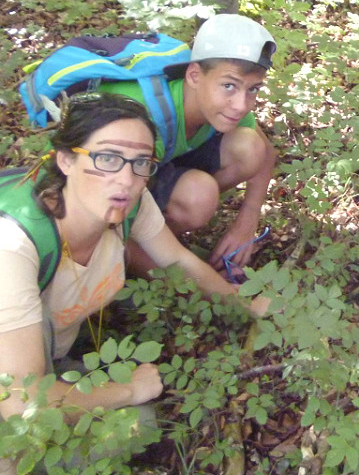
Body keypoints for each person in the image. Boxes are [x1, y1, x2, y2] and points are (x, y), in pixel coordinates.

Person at [0, 94, 269, 465]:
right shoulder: (13, 246)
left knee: (138, 425)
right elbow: (22, 404)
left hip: (43, 367)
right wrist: (127, 390)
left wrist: (245, 303)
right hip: (13, 394)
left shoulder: (129, 206)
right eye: (107, 158)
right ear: (66, 160)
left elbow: (176, 259)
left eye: (140, 162)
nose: (125, 179)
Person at [101, 13, 278, 276]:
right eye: (229, 85)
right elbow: (110, 223)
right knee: (197, 199)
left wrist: (246, 223)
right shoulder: (137, 120)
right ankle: (142, 252)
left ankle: (164, 229)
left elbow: (265, 154)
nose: (242, 105)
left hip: (155, 162)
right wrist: (205, 290)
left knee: (249, 147)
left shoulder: (220, 104)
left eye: (253, 89)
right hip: (105, 198)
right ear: (194, 76)